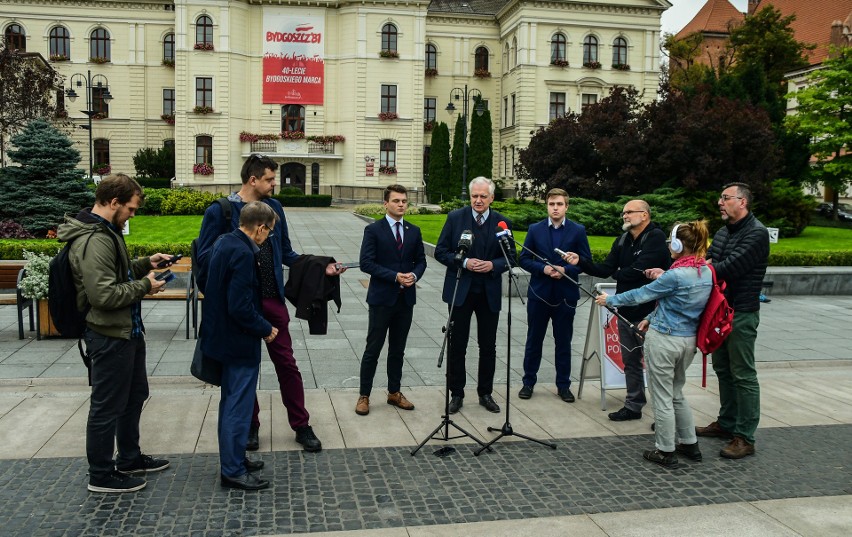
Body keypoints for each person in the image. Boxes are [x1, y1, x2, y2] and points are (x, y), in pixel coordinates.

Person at [196, 155, 344, 453]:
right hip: (238, 306)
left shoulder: (274, 208)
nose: (275, 184)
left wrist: (321, 266)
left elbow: (287, 253)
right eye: (269, 179)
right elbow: (204, 261)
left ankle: (301, 424)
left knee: (287, 364)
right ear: (253, 180)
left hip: (271, 300)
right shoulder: (222, 211)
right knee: (242, 366)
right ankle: (250, 425)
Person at [57, 174, 171, 493]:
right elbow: (103, 295)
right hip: (108, 334)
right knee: (106, 406)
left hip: (127, 330)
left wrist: (145, 263)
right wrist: (146, 285)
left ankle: (130, 458)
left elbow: (115, 274)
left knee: (134, 396)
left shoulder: (108, 232)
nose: (132, 215)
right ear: (113, 203)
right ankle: (101, 474)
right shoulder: (95, 239)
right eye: (131, 209)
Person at [595, 221, 713, 469]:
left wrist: (610, 300)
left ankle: (665, 450)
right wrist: (650, 317)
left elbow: (641, 294)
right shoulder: (705, 271)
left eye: (672, 242)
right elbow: (674, 301)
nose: (669, 245)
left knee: (662, 398)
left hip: (666, 341)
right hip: (688, 341)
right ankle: (690, 444)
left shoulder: (675, 275)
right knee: (677, 393)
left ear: (679, 245)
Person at [563, 200, 670, 419]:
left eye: (629, 212)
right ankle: (633, 405)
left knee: (656, 365)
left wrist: (621, 272)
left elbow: (638, 272)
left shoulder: (655, 237)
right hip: (624, 310)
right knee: (630, 361)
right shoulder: (622, 240)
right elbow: (605, 270)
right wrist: (580, 262)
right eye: (623, 212)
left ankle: (664, 415)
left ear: (644, 215)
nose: (625, 216)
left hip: (651, 313)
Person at [203, 202, 279, 490]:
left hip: (222, 338)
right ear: (259, 228)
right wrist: (266, 328)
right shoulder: (244, 253)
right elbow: (240, 306)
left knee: (231, 404)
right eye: (269, 232)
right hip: (238, 342)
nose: (268, 237)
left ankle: (235, 459)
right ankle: (232, 469)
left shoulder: (225, 241)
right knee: (238, 406)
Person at [696, 182, 769, 459]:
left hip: (741, 312)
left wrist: (701, 268)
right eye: (720, 197)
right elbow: (711, 259)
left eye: (725, 198)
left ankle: (745, 437)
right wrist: (700, 265)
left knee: (743, 375)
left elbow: (728, 267)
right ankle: (726, 424)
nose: (720, 202)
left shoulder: (757, 233)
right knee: (723, 370)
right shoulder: (724, 231)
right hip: (719, 312)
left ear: (743, 202)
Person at [434, 177, 511, 414]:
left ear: (492, 198)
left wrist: (493, 265)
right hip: (461, 290)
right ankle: (456, 394)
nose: (478, 200)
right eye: (474, 196)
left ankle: (485, 393)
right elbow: (440, 252)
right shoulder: (455, 218)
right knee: (457, 345)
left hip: (488, 292)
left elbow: (511, 257)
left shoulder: (501, 223)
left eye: (483, 196)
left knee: (488, 346)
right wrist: (465, 262)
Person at [355, 185, 427, 416]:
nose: (401, 205)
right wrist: (394, 276)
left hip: (405, 300)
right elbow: (366, 263)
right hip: (381, 299)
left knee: (398, 349)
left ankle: (394, 392)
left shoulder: (414, 231)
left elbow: (421, 261)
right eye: (396, 201)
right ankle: (364, 395)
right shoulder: (374, 230)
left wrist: (414, 276)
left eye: (404, 201)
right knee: (373, 349)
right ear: (385, 203)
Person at [517, 188, 590, 403]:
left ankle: (563, 385)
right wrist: (543, 269)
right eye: (551, 204)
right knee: (534, 340)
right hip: (539, 293)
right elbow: (523, 258)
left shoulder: (578, 230)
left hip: (565, 294)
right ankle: (528, 382)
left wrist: (567, 270)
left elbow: (585, 261)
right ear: (547, 206)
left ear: (566, 206)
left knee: (563, 342)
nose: (555, 208)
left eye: (559, 204)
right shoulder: (535, 229)